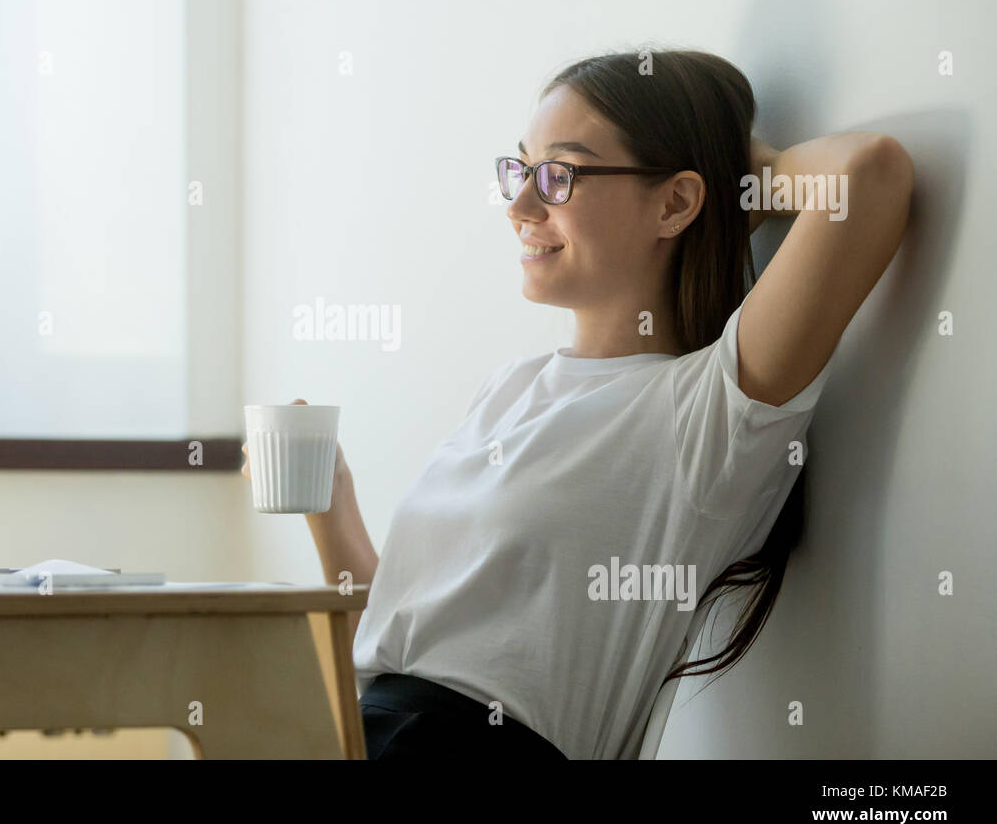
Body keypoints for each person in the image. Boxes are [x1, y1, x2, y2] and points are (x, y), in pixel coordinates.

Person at [243, 49, 913, 760]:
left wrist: (736, 182)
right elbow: (392, 653)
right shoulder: (508, 389)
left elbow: (868, 174)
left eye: (560, 175)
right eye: (520, 170)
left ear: (675, 202)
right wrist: (331, 502)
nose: (521, 206)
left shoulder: (705, 411)